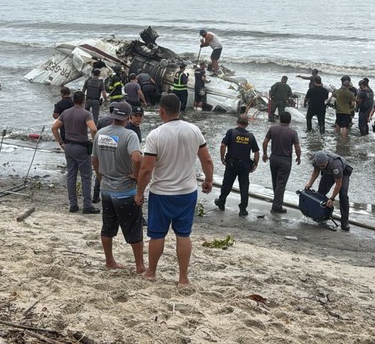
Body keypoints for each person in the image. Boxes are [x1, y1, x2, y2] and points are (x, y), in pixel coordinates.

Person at [135, 94, 214, 286]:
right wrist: (208, 180)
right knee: (183, 235)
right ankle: (183, 278)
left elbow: (146, 169)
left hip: (161, 192)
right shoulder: (194, 130)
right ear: (179, 109)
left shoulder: (156, 135)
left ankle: (152, 272)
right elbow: (207, 159)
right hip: (187, 192)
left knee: (157, 234)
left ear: (161, 111)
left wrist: (139, 193)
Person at [91, 101, 145, 273]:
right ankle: (139, 266)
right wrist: (136, 176)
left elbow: (94, 159)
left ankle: (109, 261)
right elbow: (136, 158)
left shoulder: (100, 133)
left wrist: (101, 177)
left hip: (106, 188)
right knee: (133, 229)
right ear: (128, 117)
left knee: (107, 227)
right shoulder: (130, 135)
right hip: (125, 190)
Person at [52, 90, 99, 214]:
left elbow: (54, 127)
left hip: (68, 146)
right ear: (83, 101)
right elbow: (93, 128)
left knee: (71, 175)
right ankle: (87, 205)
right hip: (82, 147)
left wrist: (61, 142)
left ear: (73, 100)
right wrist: (94, 142)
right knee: (86, 177)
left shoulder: (66, 113)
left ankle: (73, 204)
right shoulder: (86, 114)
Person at [214, 114, 259, 217]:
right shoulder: (251, 136)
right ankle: (243, 209)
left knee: (227, 184)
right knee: (244, 187)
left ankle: (221, 202)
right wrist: (255, 164)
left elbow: (222, 145)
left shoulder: (231, 132)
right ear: (247, 124)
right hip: (244, 165)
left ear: (237, 122)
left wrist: (222, 158)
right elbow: (256, 151)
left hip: (231, 164)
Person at [262, 111, 301, 213]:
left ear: (280, 119)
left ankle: (277, 202)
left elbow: (265, 142)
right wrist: (298, 157)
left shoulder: (272, 129)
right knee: (281, 183)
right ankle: (277, 206)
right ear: (289, 121)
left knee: (275, 182)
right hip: (285, 160)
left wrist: (265, 154)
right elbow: (297, 148)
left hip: (273, 158)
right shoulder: (293, 132)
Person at [304, 151, 353, 231]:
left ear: (327, 161)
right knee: (320, 193)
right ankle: (320, 217)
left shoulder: (335, 165)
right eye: (320, 166)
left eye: (323, 166)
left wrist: (332, 198)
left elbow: (338, 184)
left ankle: (344, 222)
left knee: (343, 195)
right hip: (328, 172)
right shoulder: (316, 162)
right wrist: (310, 183)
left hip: (342, 173)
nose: (321, 168)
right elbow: (316, 172)